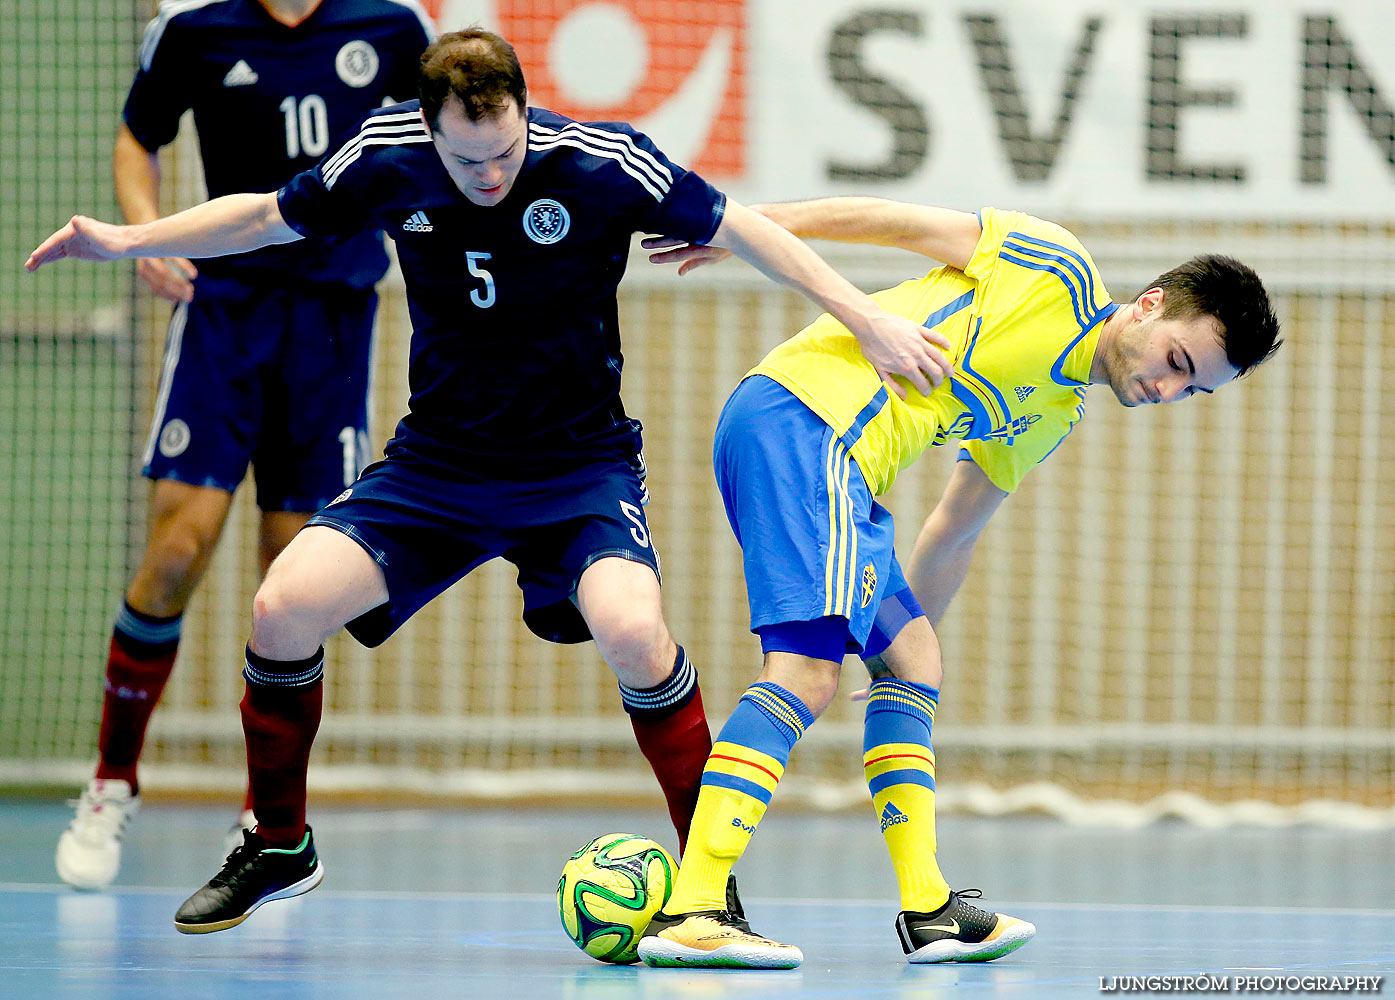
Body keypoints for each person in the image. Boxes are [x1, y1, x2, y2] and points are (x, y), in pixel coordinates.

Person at [27, 32, 959, 933]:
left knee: (635, 632)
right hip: (436, 466)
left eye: (505, 151)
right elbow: (266, 214)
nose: (490, 176)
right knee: (281, 609)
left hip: (577, 469)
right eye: (467, 161)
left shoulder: (600, 161)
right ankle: (278, 846)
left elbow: (747, 227)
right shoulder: (384, 155)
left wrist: (866, 318)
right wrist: (124, 239)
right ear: (428, 128)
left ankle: (707, 890)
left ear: (522, 113)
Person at [634, 197, 1282, 968]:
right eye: (1177, 362)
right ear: (1147, 307)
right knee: (803, 674)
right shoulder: (1052, 268)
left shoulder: (1052, 412)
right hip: (808, 423)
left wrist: (891, 664)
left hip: (838, 465)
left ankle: (929, 911)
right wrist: (746, 230)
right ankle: (696, 907)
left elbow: (953, 527)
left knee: (915, 661)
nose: (1168, 392)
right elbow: (888, 222)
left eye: (1193, 390)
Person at [53, 0, 435, 891]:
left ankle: (268, 818)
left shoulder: (392, 28)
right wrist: (145, 236)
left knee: (292, 578)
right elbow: (135, 137)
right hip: (223, 314)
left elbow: (438, 151)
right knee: (177, 550)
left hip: (334, 323)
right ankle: (111, 782)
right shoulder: (193, 28)